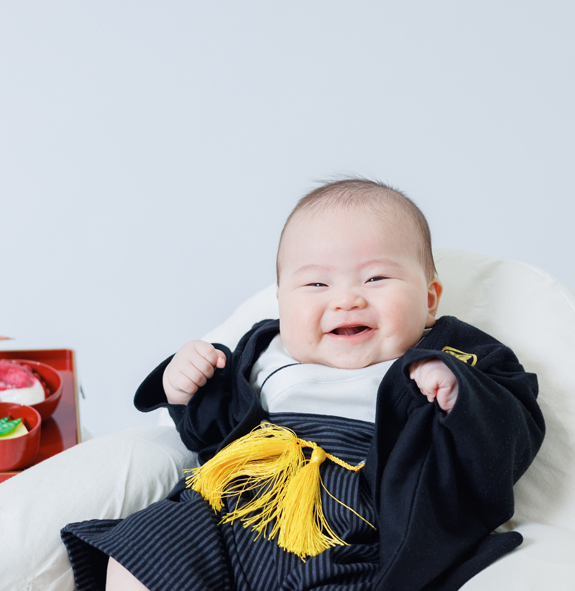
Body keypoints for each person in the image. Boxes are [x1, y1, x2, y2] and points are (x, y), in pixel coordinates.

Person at [62, 179, 545, 591]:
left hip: (352, 517)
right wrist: (188, 386)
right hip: (229, 503)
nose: (347, 300)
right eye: (316, 285)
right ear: (281, 302)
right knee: (146, 544)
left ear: (430, 298)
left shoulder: (452, 352)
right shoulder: (265, 350)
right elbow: (212, 434)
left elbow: (512, 430)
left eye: (375, 278)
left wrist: (459, 391)